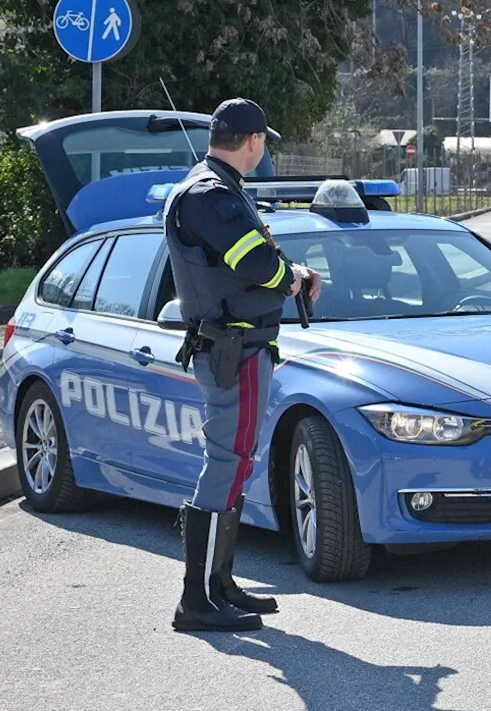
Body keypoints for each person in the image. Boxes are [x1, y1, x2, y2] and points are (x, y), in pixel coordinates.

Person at [162, 98, 322, 633]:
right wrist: (293, 279)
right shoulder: (211, 193)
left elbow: (247, 260)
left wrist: (288, 271)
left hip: (236, 343)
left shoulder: (209, 187)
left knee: (234, 462)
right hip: (237, 348)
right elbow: (254, 262)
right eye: (265, 142)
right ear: (253, 141)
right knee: (229, 462)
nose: (265, 149)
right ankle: (198, 600)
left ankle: (218, 583)